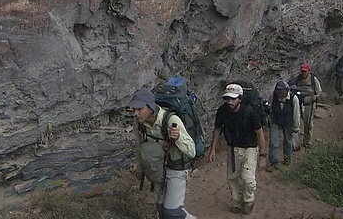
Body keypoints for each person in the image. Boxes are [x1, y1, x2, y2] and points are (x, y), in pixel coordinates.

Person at [128, 88, 197, 219]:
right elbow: (139, 147)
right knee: (161, 210)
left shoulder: (170, 120)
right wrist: (140, 167)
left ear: (151, 107)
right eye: (134, 109)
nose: (135, 113)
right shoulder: (139, 123)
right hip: (158, 169)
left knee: (172, 212)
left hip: (176, 168)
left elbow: (191, 151)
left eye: (140, 109)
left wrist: (177, 139)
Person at [208, 83, 267, 215]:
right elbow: (217, 129)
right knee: (232, 176)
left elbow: (260, 133)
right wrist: (213, 149)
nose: (229, 101)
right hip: (233, 147)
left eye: (233, 99)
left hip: (250, 148)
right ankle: (236, 201)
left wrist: (262, 156)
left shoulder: (250, 112)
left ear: (240, 99)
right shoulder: (222, 111)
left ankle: (248, 201)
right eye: (227, 98)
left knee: (247, 178)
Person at [266, 80, 301, 171]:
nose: (279, 93)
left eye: (281, 91)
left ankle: (287, 159)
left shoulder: (294, 98)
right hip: (276, 121)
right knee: (273, 142)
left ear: (286, 91)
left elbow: (296, 113)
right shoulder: (272, 97)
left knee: (288, 141)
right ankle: (274, 162)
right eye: (277, 91)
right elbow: (270, 109)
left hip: (288, 122)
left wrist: (296, 126)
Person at [288, 62, 322, 149]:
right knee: (296, 123)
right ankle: (295, 143)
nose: (304, 73)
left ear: (309, 71)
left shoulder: (313, 80)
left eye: (305, 71)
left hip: (309, 104)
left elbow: (319, 92)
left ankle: (307, 141)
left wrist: (315, 96)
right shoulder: (297, 79)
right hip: (298, 104)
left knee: (308, 124)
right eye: (302, 71)